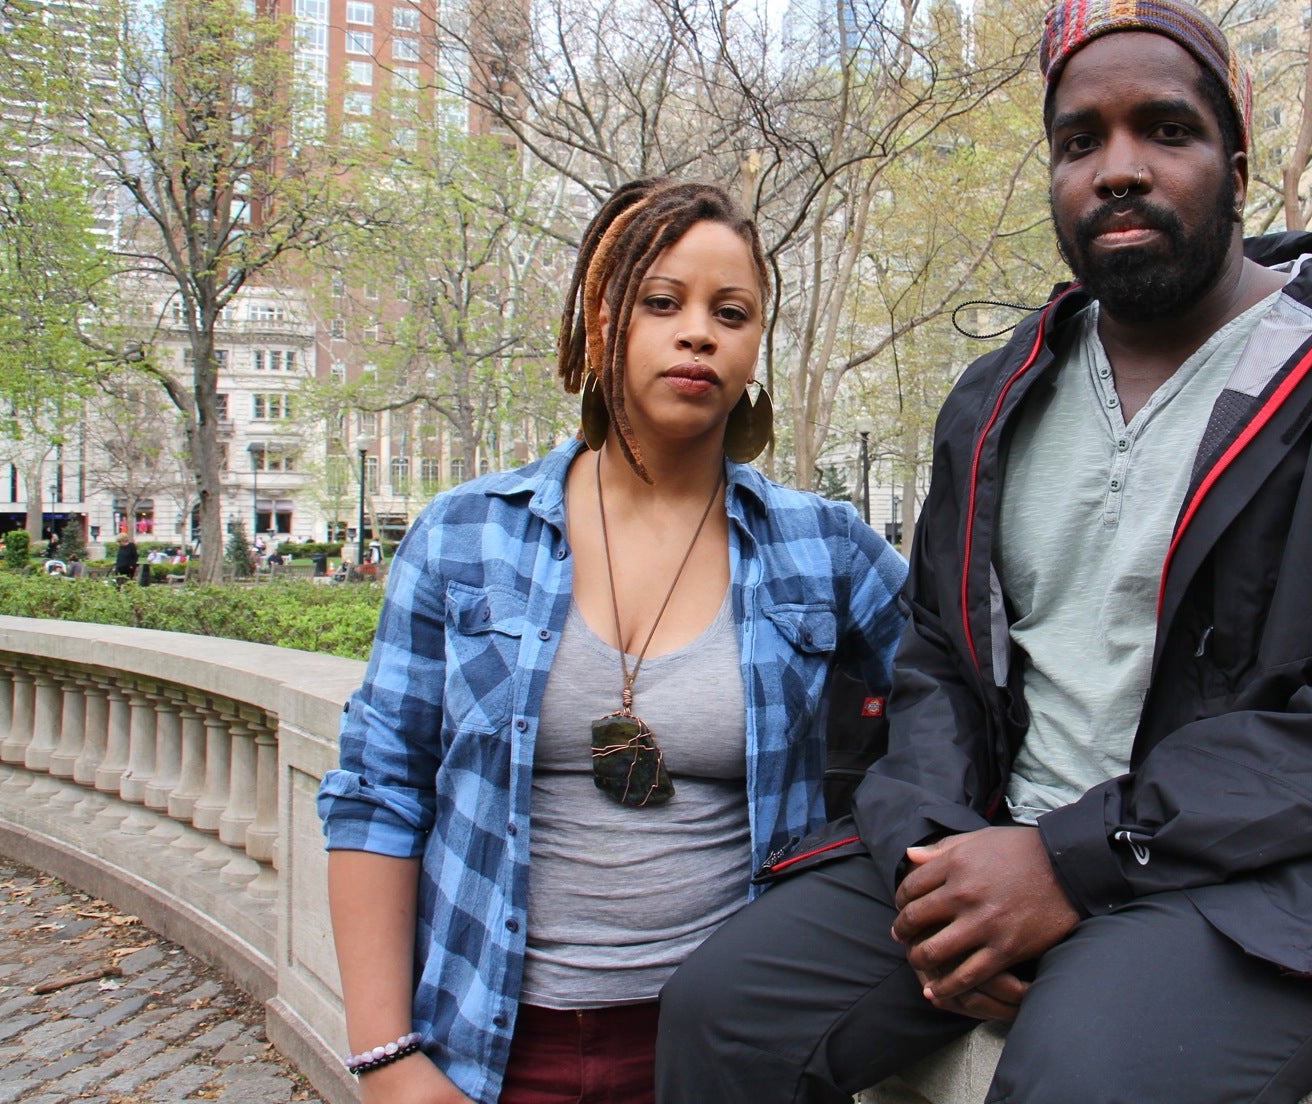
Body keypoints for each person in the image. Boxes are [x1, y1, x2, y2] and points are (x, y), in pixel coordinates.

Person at [658, 0, 1312, 1104]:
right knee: (724, 1015)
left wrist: (1072, 861)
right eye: (1079, 141)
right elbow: (936, 662)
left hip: (1270, 873)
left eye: (1166, 129)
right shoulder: (998, 397)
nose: (1118, 167)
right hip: (1002, 842)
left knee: (1078, 1074)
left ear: (1237, 165)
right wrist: (935, 856)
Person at [318, 179, 909, 1104]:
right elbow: (377, 788)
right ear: (602, 321)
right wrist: (386, 1058)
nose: (699, 333)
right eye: (661, 302)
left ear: (756, 346)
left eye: (733, 311)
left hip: (726, 1047)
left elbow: (955, 693)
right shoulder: (466, 536)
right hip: (492, 1044)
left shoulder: (820, 548)